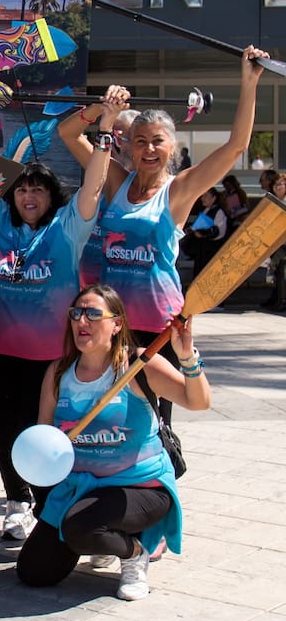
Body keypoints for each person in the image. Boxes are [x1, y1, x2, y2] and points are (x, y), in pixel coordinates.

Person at [58, 46, 266, 423]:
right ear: (129, 147)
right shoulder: (116, 182)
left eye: (157, 141)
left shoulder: (180, 189)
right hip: (111, 323)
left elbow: (236, 146)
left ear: (171, 147)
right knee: (107, 417)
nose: (149, 148)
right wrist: (104, 110)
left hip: (159, 327)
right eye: (140, 141)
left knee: (153, 422)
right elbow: (68, 133)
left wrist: (248, 83)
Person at [0, 89, 117, 542]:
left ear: (51, 196)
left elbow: (94, 185)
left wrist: (107, 129)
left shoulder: (68, 228)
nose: (29, 194)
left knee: (51, 433)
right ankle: (17, 501)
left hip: (53, 361)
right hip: (2, 355)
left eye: (38, 188)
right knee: (4, 431)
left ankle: (50, 504)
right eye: (22, 188)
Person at [16, 286, 208, 601]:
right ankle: (102, 535)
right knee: (34, 572)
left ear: (116, 323)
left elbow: (198, 402)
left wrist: (187, 357)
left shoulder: (138, 365)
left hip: (140, 486)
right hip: (80, 489)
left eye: (93, 313)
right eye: (76, 313)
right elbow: (43, 435)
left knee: (81, 527)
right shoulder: (58, 372)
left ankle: (134, 553)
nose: (82, 320)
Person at [182, 187, 228, 277]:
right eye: (202, 195)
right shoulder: (206, 210)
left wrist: (203, 234)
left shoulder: (219, 212)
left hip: (212, 250)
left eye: (205, 196)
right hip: (202, 249)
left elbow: (218, 231)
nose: (202, 198)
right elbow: (198, 226)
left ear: (214, 198)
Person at [262, 173, 286, 311]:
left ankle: (281, 300)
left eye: (280, 185)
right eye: (275, 185)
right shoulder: (275, 200)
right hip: (277, 242)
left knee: (278, 267)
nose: (277, 188)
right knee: (276, 270)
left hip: (283, 243)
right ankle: (277, 299)